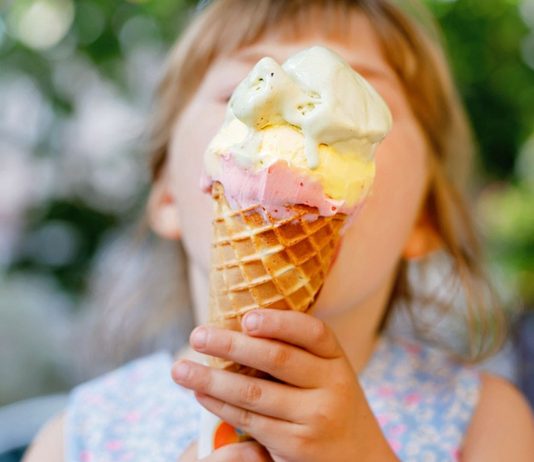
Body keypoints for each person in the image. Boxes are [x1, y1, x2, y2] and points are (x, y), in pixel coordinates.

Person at [24, 0, 534, 460]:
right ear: (167, 195)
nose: (302, 120)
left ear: (425, 215)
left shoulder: (485, 423)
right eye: (241, 88)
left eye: (358, 97)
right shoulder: (79, 437)